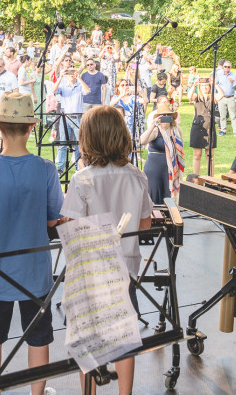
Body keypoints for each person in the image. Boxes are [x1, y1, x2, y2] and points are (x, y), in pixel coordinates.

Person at [0, 92, 63, 395]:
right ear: (32, 127)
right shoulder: (46, 169)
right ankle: (37, 392)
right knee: (38, 338)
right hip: (36, 273)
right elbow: (53, 220)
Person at [61, 105, 152, 395]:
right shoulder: (138, 176)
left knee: (86, 341)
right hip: (126, 271)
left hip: (90, 275)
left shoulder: (82, 179)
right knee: (126, 337)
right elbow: (145, 225)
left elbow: (72, 231)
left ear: (87, 139)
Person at [139, 99, 184, 203]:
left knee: (168, 195)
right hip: (154, 167)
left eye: (168, 115)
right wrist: (153, 125)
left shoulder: (176, 130)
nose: (165, 117)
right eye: (163, 115)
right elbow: (142, 141)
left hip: (170, 167)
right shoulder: (156, 130)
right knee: (153, 194)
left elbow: (180, 148)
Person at [54, 68, 88, 174]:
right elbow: (53, 91)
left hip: (78, 118)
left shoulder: (80, 86)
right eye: (68, 73)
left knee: (79, 144)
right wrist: (60, 77)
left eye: (73, 72)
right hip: (65, 118)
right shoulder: (63, 86)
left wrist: (79, 78)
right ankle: (60, 168)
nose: (71, 75)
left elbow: (87, 91)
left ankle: (79, 166)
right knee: (63, 143)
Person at [188, 78, 213, 176]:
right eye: (202, 86)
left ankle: (211, 179)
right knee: (197, 155)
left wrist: (215, 84)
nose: (204, 87)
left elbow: (222, 95)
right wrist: (194, 86)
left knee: (210, 155)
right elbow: (190, 97)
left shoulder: (212, 96)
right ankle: (195, 178)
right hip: (198, 126)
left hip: (209, 127)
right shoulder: (197, 96)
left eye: (206, 85)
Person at [214, 61, 236, 138]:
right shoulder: (219, 75)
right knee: (222, 115)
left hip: (231, 97)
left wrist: (233, 82)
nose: (227, 68)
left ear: (230, 67)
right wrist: (215, 96)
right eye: (225, 66)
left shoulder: (233, 75)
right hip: (222, 98)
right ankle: (223, 130)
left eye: (228, 67)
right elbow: (215, 85)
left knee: (233, 116)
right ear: (223, 67)